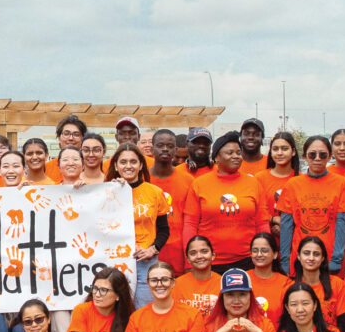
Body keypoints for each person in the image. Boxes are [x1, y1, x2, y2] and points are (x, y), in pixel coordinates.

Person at [183, 131, 271, 274]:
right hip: (208, 261)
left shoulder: (253, 183)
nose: (236, 156)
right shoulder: (199, 184)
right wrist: (189, 261)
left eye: (238, 152)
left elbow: (262, 223)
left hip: (248, 260)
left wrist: (266, 254)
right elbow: (190, 224)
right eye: (229, 153)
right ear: (216, 157)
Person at [277, 136, 345, 272]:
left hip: (329, 256)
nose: (317, 158)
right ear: (305, 157)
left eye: (322, 155)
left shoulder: (341, 183)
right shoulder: (293, 184)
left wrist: (337, 258)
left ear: (329, 156)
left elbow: (342, 223)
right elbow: (286, 226)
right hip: (301, 258)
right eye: (312, 154)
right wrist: (285, 259)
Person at [110, 146, 171, 304]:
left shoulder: (155, 192)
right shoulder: (107, 192)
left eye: (133, 162)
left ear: (141, 165)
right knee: (117, 309)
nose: (128, 166)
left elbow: (164, 229)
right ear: (116, 166)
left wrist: (153, 249)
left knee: (144, 307)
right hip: (117, 259)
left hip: (146, 261)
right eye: (123, 162)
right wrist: (113, 189)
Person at [147, 130, 196, 274]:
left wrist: (189, 260)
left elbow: (191, 222)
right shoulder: (142, 178)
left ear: (175, 150)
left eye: (169, 146)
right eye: (160, 145)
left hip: (178, 254)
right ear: (152, 149)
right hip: (147, 253)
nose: (165, 149)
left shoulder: (188, 180)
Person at [244, 233, 291, 328]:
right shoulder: (243, 278)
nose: (259, 254)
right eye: (255, 251)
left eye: (264, 251)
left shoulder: (286, 283)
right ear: (250, 254)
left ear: (275, 254)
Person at [256, 131, 301, 216]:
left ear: (293, 151)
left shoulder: (301, 179)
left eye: (285, 149)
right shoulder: (259, 178)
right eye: (275, 149)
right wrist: (273, 220)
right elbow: (256, 210)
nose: (279, 153)